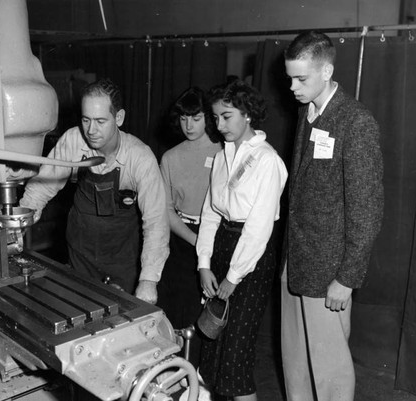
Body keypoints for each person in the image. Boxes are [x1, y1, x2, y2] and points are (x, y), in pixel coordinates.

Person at [281, 31, 384, 401]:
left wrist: (347, 277)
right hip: (295, 264)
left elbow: (367, 208)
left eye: (301, 78)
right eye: (289, 77)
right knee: (296, 368)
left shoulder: (355, 122)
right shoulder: (304, 112)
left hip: (329, 274)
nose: (292, 87)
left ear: (326, 71)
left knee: (330, 378)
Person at [20, 78, 169, 304]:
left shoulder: (140, 157)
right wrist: (19, 224)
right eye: (86, 119)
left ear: (119, 118)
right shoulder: (72, 140)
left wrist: (148, 280)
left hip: (121, 257)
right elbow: (42, 186)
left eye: (100, 121)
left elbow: (156, 221)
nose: (91, 130)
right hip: (81, 253)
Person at [196, 79, 288, 401]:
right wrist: (204, 264)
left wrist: (234, 277)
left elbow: (259, 229)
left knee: (236, 355)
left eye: (227, 116)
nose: (219, 125)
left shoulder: (267, 161)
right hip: (221, 245)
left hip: (251, 260)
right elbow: (210, 213)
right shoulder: (222, 156)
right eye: (215, 117)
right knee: (211, 344)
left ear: (247, 114)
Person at [157, 87, 222, 367]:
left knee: (213, 318)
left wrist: (208, 245)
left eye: (195, 118)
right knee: (181, 316)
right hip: (184, 242)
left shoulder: (224, 151)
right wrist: (197, 242)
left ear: (207, 117)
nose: (189, 126)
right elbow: (166, 210)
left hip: (219, 237)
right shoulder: (170, 157)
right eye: (183, 118)